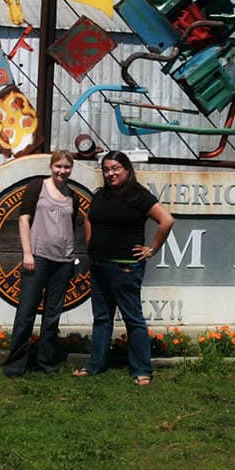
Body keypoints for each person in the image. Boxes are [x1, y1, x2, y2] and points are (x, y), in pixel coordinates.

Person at [73, 150, 175, 386]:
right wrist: (91, 244)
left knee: (133, 318)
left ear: (127, 170)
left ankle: (142, 370)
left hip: (126, 267)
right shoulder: (101, 195)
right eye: (107, 169)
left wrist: (152, 249)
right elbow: (90, 218)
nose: (111, 173)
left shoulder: (138, 196)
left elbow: (166, 220)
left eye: (116, 169)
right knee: (101, 318)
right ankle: (95, 365)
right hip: (99, 266)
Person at [2, 149, 89, 377]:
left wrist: (71, 258)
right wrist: (27, 253)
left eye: (66, 167)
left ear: (71, 169)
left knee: (53, 315)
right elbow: (23, 219)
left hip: (63, 260)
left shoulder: (73, 195)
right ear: (51, 167)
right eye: (58, 166)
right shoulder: (36, 188)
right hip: (37, 257)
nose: (62, 171)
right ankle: (15, 364)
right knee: (26, 312)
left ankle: (47, 362)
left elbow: (70, 225)